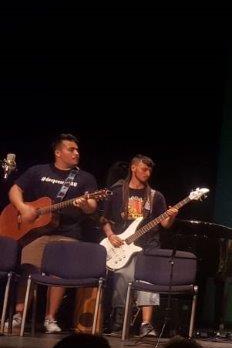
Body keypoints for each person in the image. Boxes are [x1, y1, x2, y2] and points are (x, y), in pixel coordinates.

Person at [7, 133, 100, 333]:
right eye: (71, 149)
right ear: (58, 153)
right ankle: (18, 316)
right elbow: (14, 190)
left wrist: (84, 204)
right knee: (28, 268)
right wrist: (23, 208)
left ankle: (50, 318)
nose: (76, 153)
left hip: (68, 233)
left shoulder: (85, 178)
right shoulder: (38, 171)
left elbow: (92, 206)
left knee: (59, 272)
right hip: (36, 233)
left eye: (77, 149)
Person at [100, 154, 179, 336]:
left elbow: (164, 224)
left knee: (147, 281)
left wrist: (172, 216)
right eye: (144, 169)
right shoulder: (117, 192)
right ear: (133, 167)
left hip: (149, 245)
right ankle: (120, 323)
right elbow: (104, 219)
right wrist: (111, 235)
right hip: (122, 245)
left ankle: (146, 324)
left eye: (150, 170)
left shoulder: (155, 196)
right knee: (122, 279)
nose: (147, 173)